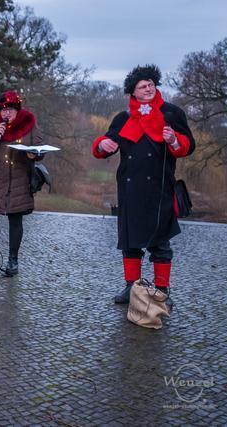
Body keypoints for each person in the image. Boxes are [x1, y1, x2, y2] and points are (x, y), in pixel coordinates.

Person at [91, 64, 195, 304]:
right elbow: (104, 144)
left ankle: (162, 291)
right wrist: (101, 146)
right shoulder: (122, 118)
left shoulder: (172, 113)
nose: (148, 89)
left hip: (160, 187)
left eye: (151, 84)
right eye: (142, 86)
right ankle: (132, 288)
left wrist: (174, 140)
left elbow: (188, 146)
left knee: (160, 243)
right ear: (133, 92)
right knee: (130, 242)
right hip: (129, 188)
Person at [0, 90, 44, 276]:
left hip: (19, 182)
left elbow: (40, 149)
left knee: (16, 220)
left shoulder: (29, 124)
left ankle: (13, 260)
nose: (6, 114)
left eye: (10, 110)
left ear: (18, 110)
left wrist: (34, 153)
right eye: (3, 110)